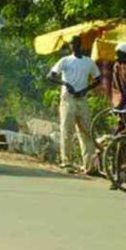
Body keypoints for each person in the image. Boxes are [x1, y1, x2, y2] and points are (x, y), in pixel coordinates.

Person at [47, 35, 101, 174]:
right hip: (68, 98)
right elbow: (51, 76)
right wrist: (65, 84)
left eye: (76, 43)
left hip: (82, 99)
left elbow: (98, 79)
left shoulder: (88, 62)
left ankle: (89, 166)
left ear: (80, 45)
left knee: (86, 132)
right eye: (72, 44)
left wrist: (85, 90)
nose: (74, 46)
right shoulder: (65, 61)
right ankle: (67, 162)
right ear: (70, 46)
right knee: (67, 131)